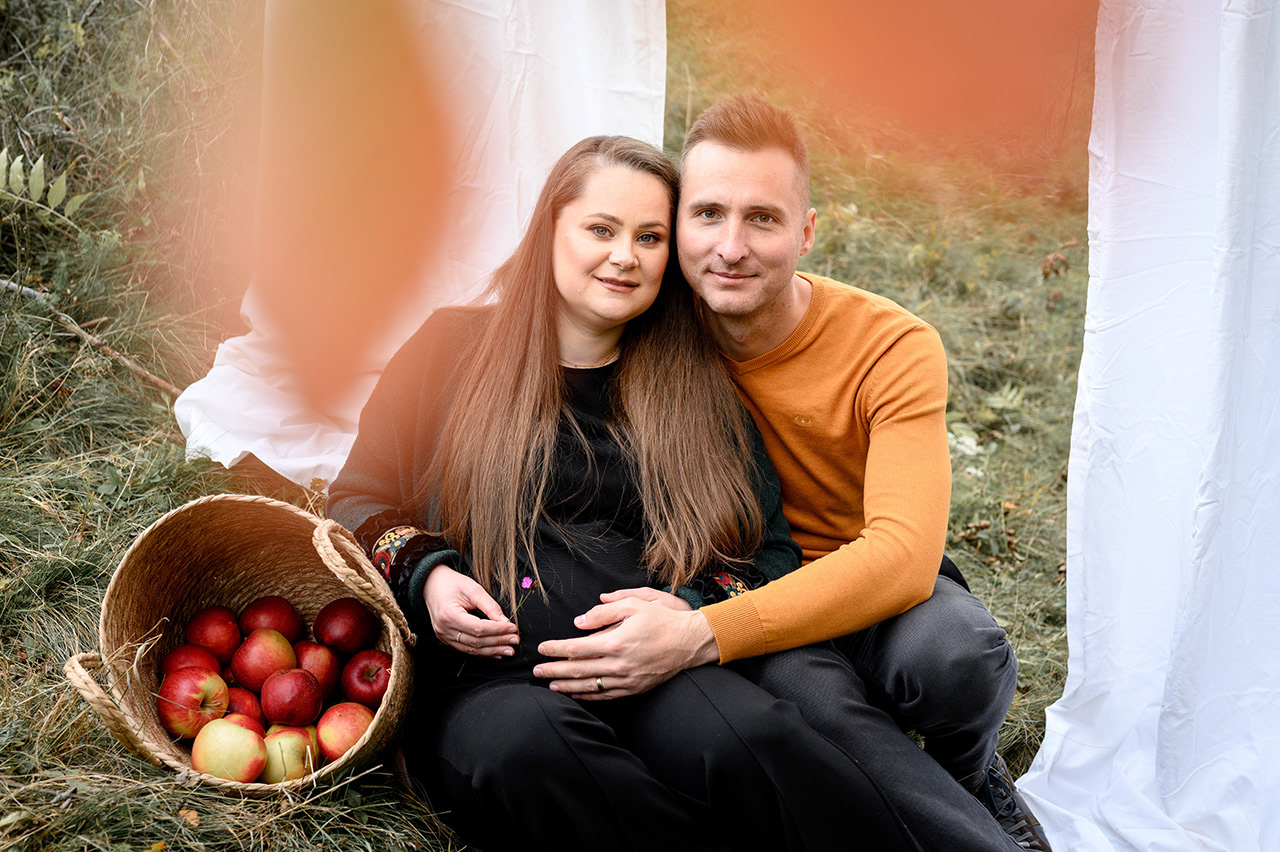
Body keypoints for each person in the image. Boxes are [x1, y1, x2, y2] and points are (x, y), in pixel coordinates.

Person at [327, 135, 922, 852]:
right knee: (532, 752)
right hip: (486, 684)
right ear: (551, 229)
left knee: (752, 740)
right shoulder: (449, 350)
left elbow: (767, 555)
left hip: (650, 671)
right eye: (601, 229)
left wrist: (689, 613)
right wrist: (429, 575)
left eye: (649, 237)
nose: (624, 257)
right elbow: (356, 500)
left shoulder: (692, 386)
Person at [530, 97, 1054, 852]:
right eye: (707, 215)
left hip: (874, 594)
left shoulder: (891, 346)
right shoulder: (647, 330)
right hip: (746, 583)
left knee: (958, 654)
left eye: (763, 220)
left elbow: (903, 557)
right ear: (677, 225)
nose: (731, 247)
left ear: (806, 232)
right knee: (822, 712)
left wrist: (701, 633)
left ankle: (970, 773)